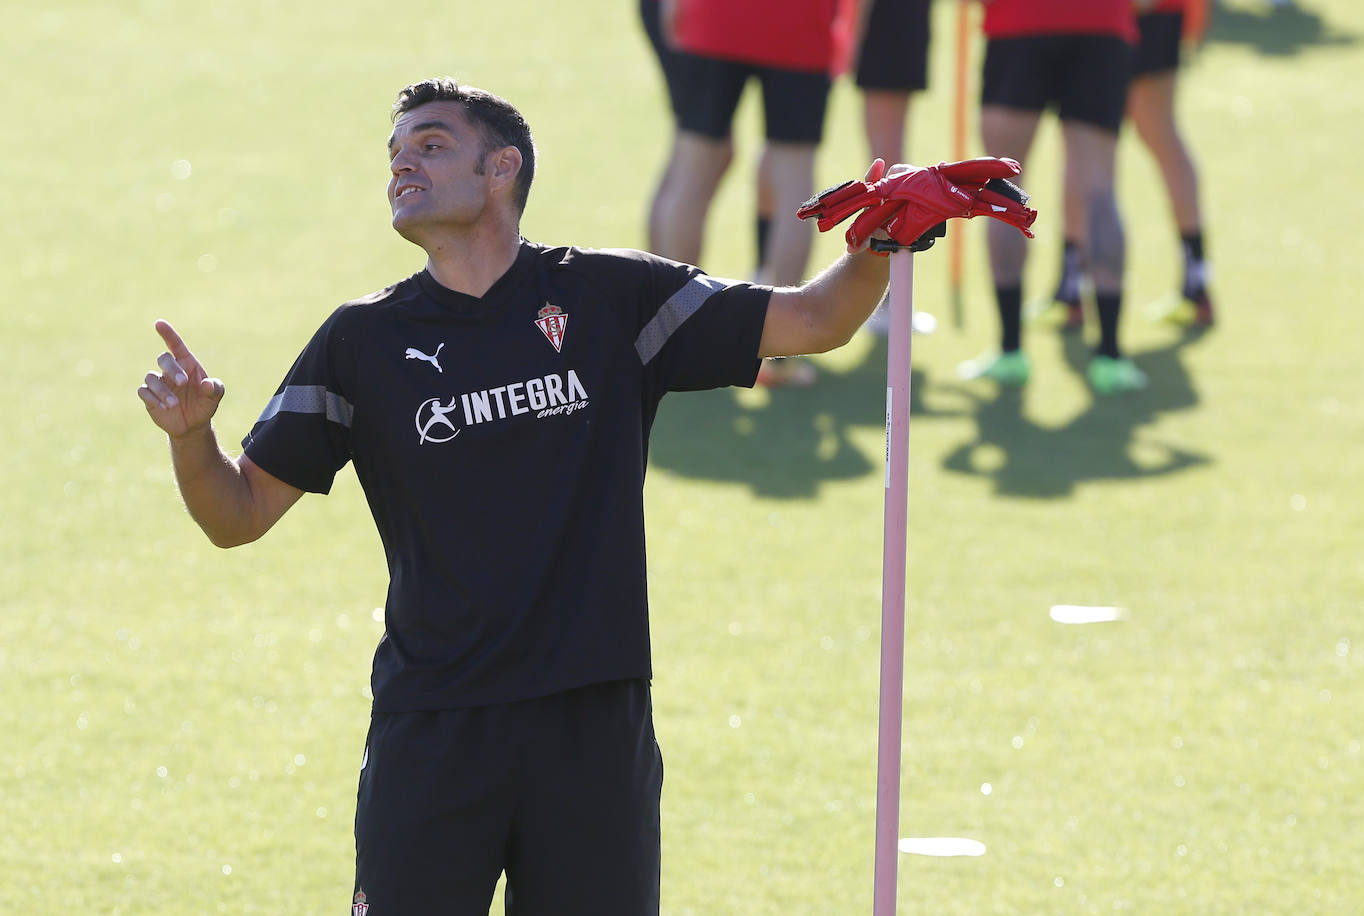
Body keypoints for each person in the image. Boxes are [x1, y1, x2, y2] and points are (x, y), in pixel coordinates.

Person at [137, 78, 941, 914]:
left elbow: (815, 322)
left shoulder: (613, 296)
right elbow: (237, 515)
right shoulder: (361, 340)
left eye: (432, 145)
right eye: (395, 153)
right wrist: (192, 440)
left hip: (593, 725)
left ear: (502, 169)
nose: (402, 164)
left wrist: (883, 236)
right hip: (434, 728)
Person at [640, 0, 839, 386]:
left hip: (715, 19)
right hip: (801, 24)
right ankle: (780, 353)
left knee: (693, 171)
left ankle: (671, 337)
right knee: (793, 176)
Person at [960, 0, 1149, 395]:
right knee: (1100, 190)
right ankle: (1109, 357)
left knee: (1001, 189)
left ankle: (1010, 351)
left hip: (1019, 24)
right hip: (1101, 25)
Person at [1044, 0, 1215, 329]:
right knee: (1152, 136)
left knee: (1089, 141)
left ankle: (1071, 289)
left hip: (1114, 17)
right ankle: (1195, 284)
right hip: (1135, 15)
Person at [847, 0, 939, 335]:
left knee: (888, 165)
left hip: (895, 22)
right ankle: (883, 299)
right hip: (891, 22)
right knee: (887, 168)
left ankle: (886, 298)